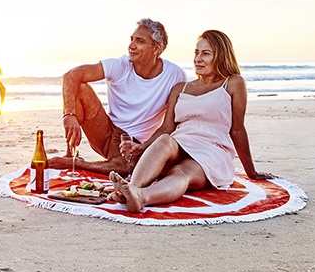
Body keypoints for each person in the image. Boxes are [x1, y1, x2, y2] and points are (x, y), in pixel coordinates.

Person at [109, 29, 274, 212]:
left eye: (206, 53)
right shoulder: (180, 88)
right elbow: (166, 128)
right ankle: (132, 188)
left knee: (181, 172)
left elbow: (237, 130)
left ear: (220, 56)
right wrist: (143, 146)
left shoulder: (234, 83)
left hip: (211, 151)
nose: (198, 59)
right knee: (165, 141)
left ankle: (142, 197)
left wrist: (251, 171)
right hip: (179, 145)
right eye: (196, 53)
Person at [48, 18, 188, 175]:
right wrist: (69, 114)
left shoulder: (175, 75)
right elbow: (71, 75)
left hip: (136, 142)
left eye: (140, 41)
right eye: (132, 39)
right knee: (80, 87)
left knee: (126, 168)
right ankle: (71, 152)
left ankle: (78, 164)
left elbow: (171, 124)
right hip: (104, 130)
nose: (131, 46)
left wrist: (148, 146)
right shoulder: (120, 65)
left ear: (157, 48)